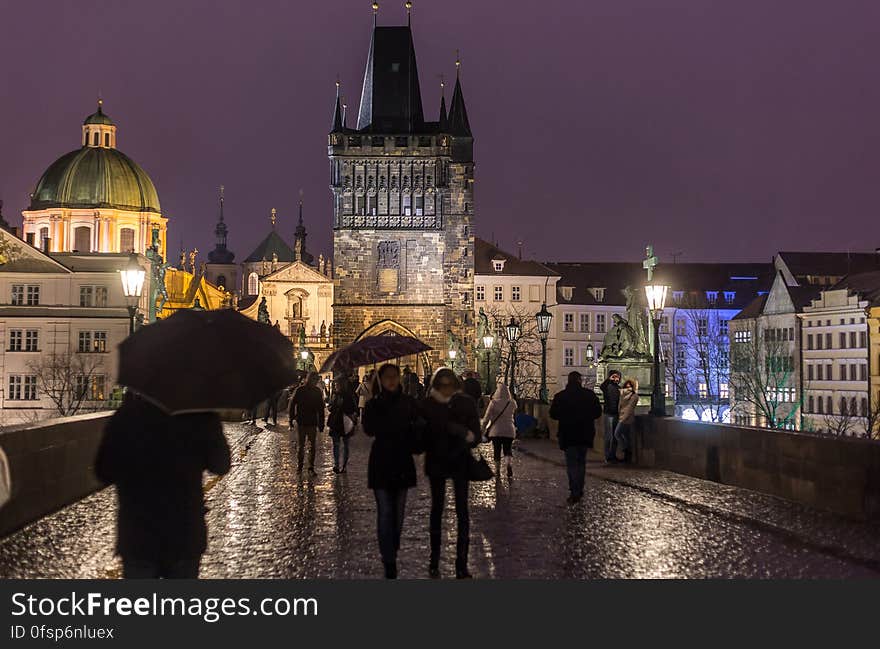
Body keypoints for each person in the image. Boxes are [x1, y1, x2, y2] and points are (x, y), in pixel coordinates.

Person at [95, 392, 231, 578]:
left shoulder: (128, 416)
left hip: (138, 533)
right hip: (184, 533)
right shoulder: (199, 415)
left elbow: (103, 471)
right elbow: (221, 465)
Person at [362, 364, 422, 579]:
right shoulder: (374, 404)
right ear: (380, 379)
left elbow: (419, 429)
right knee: (385, 512)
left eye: (394, 377)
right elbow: (368, 429)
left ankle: (392, 546)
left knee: (398, 514)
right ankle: (388, 558)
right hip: (381, 462)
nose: (391, 380)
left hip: (402, 462)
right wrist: (374, 402)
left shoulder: (409, 403)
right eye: (387, 377)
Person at [420, 368, 481, 579]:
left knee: (462, 512)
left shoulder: (465, 403)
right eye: (442, 385)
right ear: (437, 386)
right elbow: (421, 438)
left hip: (459, 461)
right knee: (437, 510)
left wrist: (462, 433)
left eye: (449, 385)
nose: (446, 389)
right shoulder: (428, 404)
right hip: (437, 461)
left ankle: (461, 564)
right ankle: (434, 560)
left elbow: (476, 435)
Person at [549, 371, 603, 505]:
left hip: (568, 434)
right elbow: (598, 412)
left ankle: (574, 490)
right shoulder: (589, 395)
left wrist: (565, 416)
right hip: (585, 433)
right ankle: (580, 487)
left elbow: (553, 414)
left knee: (572, 463)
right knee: (581, 462)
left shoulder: (560, 396)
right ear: (580, 380)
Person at [289, 372, 326, 475]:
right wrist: (291, 419)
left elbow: (320, 409)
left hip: (309, 422)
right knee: (303, 446)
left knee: (310, 446)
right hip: (303, 422)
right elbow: (292, 404)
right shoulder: (302, 390)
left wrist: (321, 423)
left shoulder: (305, 390)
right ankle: (302, 466)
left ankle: (308, 467)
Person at [481, 383, 517, 478]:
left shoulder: (494, 403)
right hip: (509, 430)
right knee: (507, 450)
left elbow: (486, 418)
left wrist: (482, 429)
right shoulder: (512, 403)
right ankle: (508, 464)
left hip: (496, 431)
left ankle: (497, 470)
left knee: (497, 450)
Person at [328, 376, 358, 473]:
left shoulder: (349, 395)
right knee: (336, 444)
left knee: (345, 444)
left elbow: (354, 409)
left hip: (345, 422)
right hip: (335, 422)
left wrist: (342, 406)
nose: (335, 386)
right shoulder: (335, 395)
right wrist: (331, 406)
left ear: (341, 385)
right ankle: (336, 465)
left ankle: (344, 466)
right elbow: (331, 407)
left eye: (337, 384)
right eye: (335, 384)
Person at [599, 370, 622, 463]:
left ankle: (613, 455)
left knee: (615, 436)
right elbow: (602, 387)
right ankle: (607, 456)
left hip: (616, 413)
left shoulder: (619, 388)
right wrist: (608, 379)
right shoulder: (607, 386)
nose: (616, 378)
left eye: (618, 377)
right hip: (608, 413)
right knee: (609, 436)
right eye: (614, 376)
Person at [614, 379, 639, 464]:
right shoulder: (622, 394)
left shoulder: (634, 396)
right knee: (626, 437)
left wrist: (622, 419)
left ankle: (626, 451)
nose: (628, 388)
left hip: (626, 418)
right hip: (621, 416)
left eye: (630, 386)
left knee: (617, 434)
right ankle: (627, 456)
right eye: (626, 386)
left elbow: (629, 409)